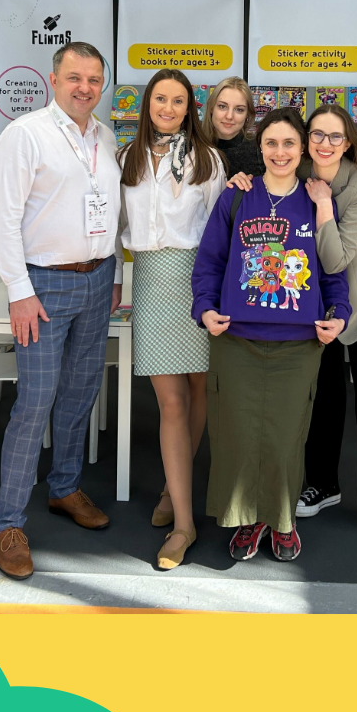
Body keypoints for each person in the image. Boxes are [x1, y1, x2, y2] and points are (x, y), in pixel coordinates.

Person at [229, 103, 357, 547]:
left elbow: (335, 259)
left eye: (335, 136)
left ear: (348, 142)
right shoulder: (296, 169)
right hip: (316, 309)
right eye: (317, 134)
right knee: (324, 397)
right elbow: (264, 194)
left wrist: (322, 205)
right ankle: (322, 483)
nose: (325, 144)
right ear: (306, 139)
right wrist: (242, 181)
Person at [0, 41, 123, 580]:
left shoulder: (105, 137)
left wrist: (113, 272)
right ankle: (9, 523)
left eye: (93, 79)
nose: (84, 88)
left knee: (81, 391)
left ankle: (64, 488)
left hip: (97, 279)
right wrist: (19, 290)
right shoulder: (26, 135)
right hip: (42, 286)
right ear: (54, 79)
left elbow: (109, 211)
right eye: (74, 77)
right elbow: (3, 218)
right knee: (35, 402)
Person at [191, 107, 350, 562]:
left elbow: (332, 270)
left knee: (284, 439)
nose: (280, 152)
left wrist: (339, 314)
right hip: (236, 340)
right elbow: (210, 262)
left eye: (289, 143)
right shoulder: (237, 196)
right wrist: (204, 308)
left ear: (302, 149)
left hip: (298, 344)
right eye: (271, 143)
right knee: (237, 436)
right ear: (259, 148)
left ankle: (282, 519)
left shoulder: (317, 200)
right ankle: (247, 519)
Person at [116, 69, 226, 569]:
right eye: (160, 98)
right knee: (171, 402)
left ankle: (171, 488)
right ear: (147, 104)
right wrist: (116, 279)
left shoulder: (207, 159)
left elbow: (220, 230)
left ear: (189, 109)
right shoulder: (126, 158)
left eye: (178, 100)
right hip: (152, 281)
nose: (168, 108)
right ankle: (184, 523)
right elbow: (113, 226)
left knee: (200, 391)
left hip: (198, 279)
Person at [201, 75, 264, 178]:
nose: (229, 116)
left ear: (248, 114)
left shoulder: (260, 149)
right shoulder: (192, 146)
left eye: (239, 109)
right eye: (222, 106)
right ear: (211, 107)